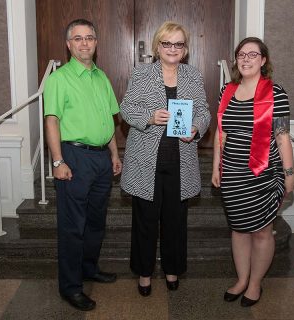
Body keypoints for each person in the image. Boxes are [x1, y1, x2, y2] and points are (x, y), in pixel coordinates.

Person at [120, 21, 210, 297]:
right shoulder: (142, 74)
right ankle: (144, 273)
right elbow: (126, 108)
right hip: (145, 163)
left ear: (185, 49)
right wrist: (148, 118)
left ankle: (172, 270)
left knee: (175, 222)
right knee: (145, 222)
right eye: (167, 43)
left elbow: (204, 110)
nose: (172, 49)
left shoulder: (193, 76)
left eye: (178, 44)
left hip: (180, 163)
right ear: (158, 47)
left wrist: (196, 128)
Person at [44, 18, 122, 311]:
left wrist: (114, 154)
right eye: (78, 38)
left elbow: (110, 121)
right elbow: (51, 120)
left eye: (89, 37)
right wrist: (57, 160)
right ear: (68, 44)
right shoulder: (58, 79)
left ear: (96, 42)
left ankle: (89, 268)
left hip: (101, 157)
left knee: (95, 222)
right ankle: (70, 287)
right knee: (72, 225)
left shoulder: (102, 77)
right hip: (74, 158)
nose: (84, 43)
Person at [211, 37, 294, 307]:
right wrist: (216, 166)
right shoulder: (226, 90)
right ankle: (241, 279)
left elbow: (282, 136)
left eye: (252, 54)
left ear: (263, 60)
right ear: (236, 60)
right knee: (238, 229)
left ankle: (255, 283)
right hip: (233, 175)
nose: (246, 59)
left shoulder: (275, 93)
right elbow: (220, 132)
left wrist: (289, 173)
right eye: (241, 54)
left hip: (264, 175)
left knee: (261, 231)